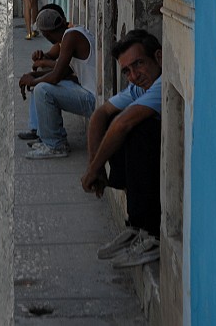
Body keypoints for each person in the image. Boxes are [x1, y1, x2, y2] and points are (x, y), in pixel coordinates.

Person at [80, 29, 162, 268]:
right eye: (127, 70)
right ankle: (136, 227)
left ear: (158, 57)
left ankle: (151, 234)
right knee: (113, 123)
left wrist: (92, 171)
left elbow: (122, 124)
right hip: (148, 169)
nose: (135, 75)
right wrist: (94, 166)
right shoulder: (140, 86)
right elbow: (100, 114)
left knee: (132, 129)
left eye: (139, 64)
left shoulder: (161, 82)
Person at [18, 5, 96, 159]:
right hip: (88, 92)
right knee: (40, 83)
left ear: (47, 34)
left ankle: (55, 145)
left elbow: (55, 77)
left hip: (93, 100)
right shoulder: (73, 33)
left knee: (43, 89)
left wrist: (33, 80)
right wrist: (33, 75)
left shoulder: (70, 37)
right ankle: (47, 136)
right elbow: (65, 72)